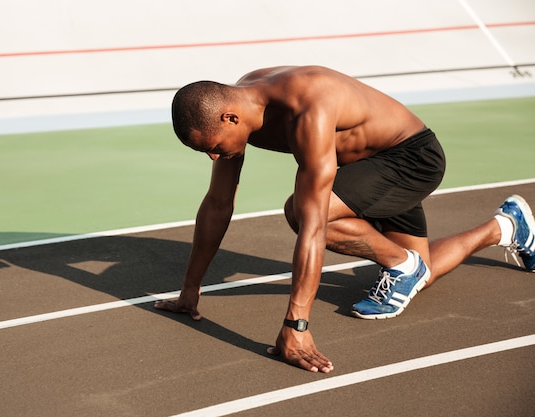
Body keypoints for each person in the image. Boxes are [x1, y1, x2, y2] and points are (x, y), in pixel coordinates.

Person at [154, 65, 535, 373]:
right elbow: (218, 203)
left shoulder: (306, 107)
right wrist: (191, 289)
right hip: (364, 168)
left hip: (410, 159)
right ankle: (506, 226)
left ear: (229, 117)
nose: (214, 158)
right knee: (423, 272)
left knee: (300, 212)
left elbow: (314, 225)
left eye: (213, 147)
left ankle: (401, 264)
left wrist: (296, 327)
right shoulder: (238, 107)